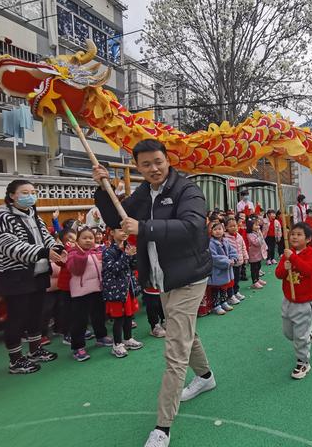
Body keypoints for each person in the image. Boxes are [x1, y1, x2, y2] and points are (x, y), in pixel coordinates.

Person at [92, 139, 215, 447]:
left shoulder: (187, 190)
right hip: (160, 279)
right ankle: (205, 377)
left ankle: (163, 427)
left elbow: (192, 226)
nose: (153, 168)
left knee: (175, 350)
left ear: (167, 160)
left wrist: (143, 228)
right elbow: (116, 219)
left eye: (158, 161)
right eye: (145, 164)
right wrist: (102, 188)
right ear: (138, 167)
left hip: (189, 277)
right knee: (184, 331)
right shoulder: (143, 193)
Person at [0, 180, 63, 374]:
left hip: (37, 272)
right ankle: (15, 360)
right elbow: (10, 246)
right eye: (25, 192)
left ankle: (35, 350)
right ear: (12, 195)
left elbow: (46, 237)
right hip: (15, 274)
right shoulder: (4, 216)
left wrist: (57, 249)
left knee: (37, 313)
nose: (30, 195)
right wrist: (44, 252)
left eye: (33, 191)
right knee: (17, 317)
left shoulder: (33, 215)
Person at [275, 222, 312, 379]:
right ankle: (306, 337)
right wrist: (284, 267)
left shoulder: (310, 253)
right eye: (293, 233)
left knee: (299, 337)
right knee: (288, 333)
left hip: (303, 301)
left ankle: (303, 362)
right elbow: (278, 275)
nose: (294, 236)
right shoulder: (287, 253)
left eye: (299, 234)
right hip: (288, 300)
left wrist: (293, 259)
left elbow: (308, 270)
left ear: (308, 239)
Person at [67, 227, 112, 361]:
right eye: (84, 238)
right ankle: (78, 347)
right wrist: (81, 253)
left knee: (99, 316)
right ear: (77, 240)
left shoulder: (98, 251)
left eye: (90, 238)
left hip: (97, 289)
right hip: (80, 293)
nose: (88, 240)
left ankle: (101, 337)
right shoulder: (72, 253)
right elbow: (76, 270)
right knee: (79, 320)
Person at [103, 228, 143, 358]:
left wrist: (134, 256)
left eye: (126, 230)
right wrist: (127, 255)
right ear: (112, 233)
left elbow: (134, 267)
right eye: (120, 230)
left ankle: (128, 339)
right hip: (116, 291)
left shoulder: (127, 247)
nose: (124, 233)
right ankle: (117, 344)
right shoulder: (108, 251)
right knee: (118, 318)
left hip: (127, 289)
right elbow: (114, 269)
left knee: (128, 316)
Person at [208, 222, 238, 315]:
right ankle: (216, 305)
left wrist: (233, 258)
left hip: (226, 269)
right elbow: (214, 257)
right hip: (217, 270)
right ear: (211, 231)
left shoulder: (226, 241)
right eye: (215, 229)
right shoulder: (211, 243)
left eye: (219, 229)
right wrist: (228, 261)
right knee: (216, 289)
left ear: (223, 229)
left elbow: (233, 250)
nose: (218, 231)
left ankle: (223, 302)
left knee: (224, 288)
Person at [224, 217, 248, 303]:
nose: (234, 227)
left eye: (235, 226)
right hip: (231, 263)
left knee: (237, 279)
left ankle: (236, 292)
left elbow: (243, 247)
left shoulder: (239, 236)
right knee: (231, 280)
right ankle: (230, 295)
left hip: (239, 262)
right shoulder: (225, 238)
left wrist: (245, 257)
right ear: (226, 227)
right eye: (231, 226)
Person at [247, 217, 267, 289]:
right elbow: (256, 243)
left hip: (258, 253)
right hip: (253, 254)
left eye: (258, 225)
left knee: (258, 266)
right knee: (254, 268)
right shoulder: (250, 235)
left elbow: (262, 241)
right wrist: (260, 236)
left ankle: (258, 279)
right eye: (256, 225)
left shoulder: (257, 232)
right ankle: (254, 282)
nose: (258, 227)